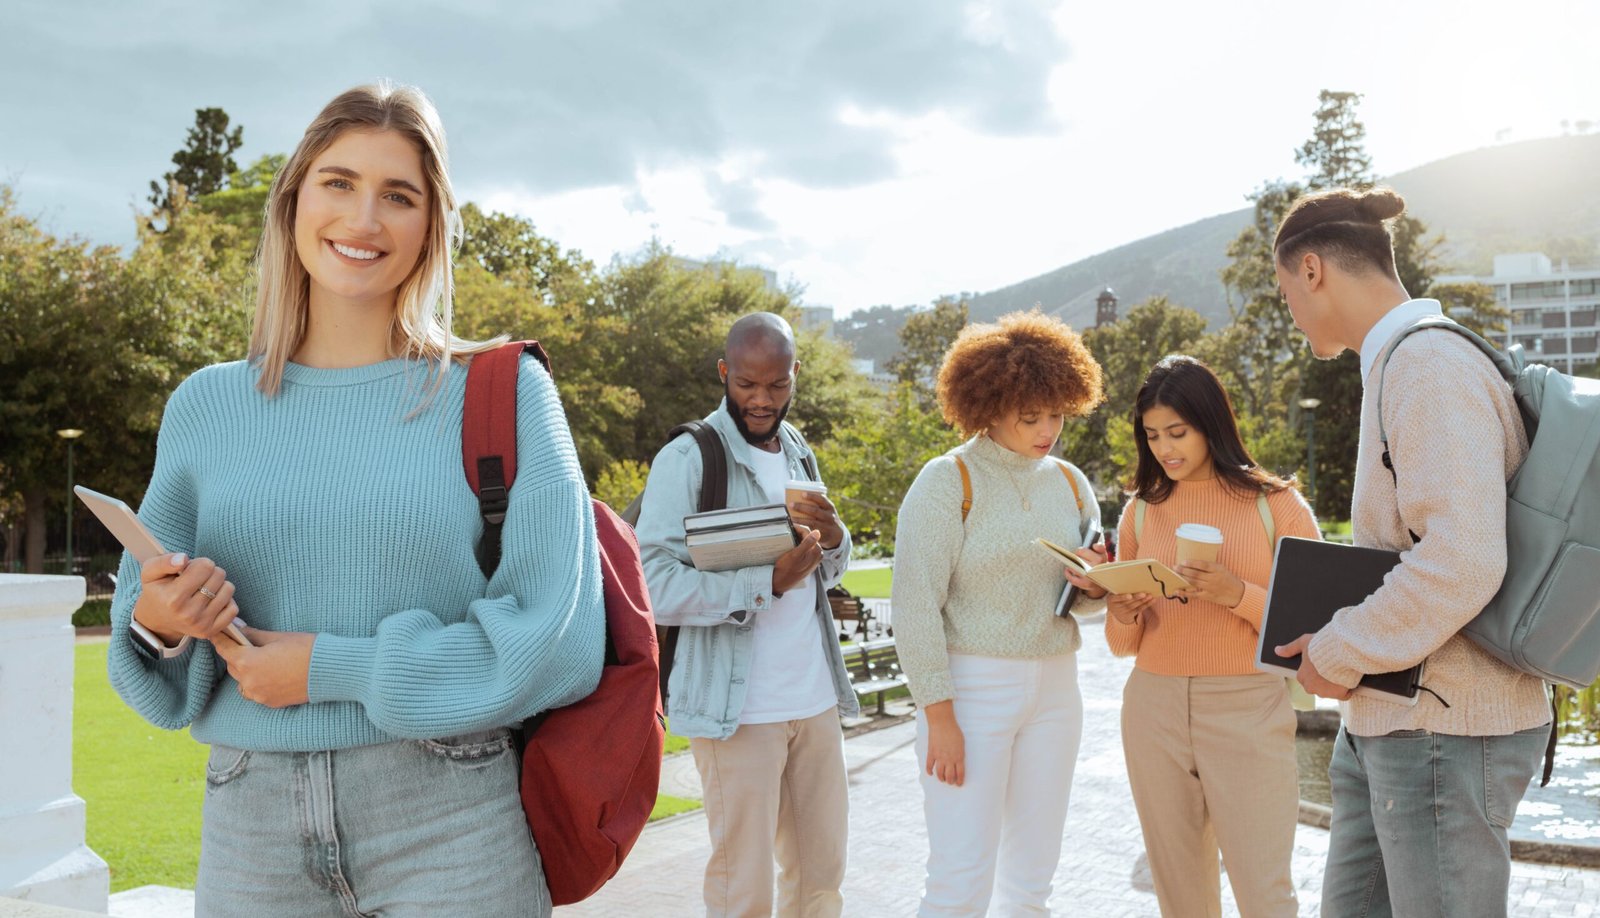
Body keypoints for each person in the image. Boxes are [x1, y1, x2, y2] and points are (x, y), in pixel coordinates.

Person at [106, 82, 604, 918]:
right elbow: (147, 653)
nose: (363, 220)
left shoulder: (506, 392)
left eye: (398, 195)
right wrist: (166, 620)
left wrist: (330, 668)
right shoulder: (205, 405)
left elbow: (558, 641)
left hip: (449, 816)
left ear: (432, 225)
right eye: (338, 183)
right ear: (295, 197)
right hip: (248, 824)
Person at [1272, 187, 1550, 917]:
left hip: (1444, 731)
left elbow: (1462, 560)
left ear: (1310, 269)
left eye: (1282, 293)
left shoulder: (1427, 367)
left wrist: (1337, 648)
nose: (1290, 313)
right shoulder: (1402, 362)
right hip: (1394, 721)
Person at [634, 312, 858, 918]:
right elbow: (653, 583)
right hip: (738, 713)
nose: (762, 401)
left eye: (777, 386)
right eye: (747, 385)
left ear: (795, 376)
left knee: (821, 883)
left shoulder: (798, 451)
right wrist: (766, 583)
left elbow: (828, 572)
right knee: (745, 892)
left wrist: (833, 543)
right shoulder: (688, 457)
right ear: (724, 373)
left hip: (812, 701)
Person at [1084, 355, 1319, 918]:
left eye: (1178, 432)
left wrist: (1236, 594)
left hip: (1247, 708)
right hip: (1152, 708)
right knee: (1181, 894)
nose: (1165, 449)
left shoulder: (1277, 505)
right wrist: (1123, 608)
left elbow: (1317, 631)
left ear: (1211, 423)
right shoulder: (1141, 510)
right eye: (1152, 435)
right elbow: (1124, 645)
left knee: (1264, 892)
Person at [891, 310, 1106, 917]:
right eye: (1030, 416)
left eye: (1057, 414)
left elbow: (1081, 607)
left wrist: (1094, 587)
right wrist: (940, 716)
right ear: (987, 406)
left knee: (1032, 883)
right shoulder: (945, 481)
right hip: (970, 693)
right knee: (960, 880)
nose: (1048, 431)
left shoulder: (1070, 482)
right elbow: (913, 607)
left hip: (1058, 694)